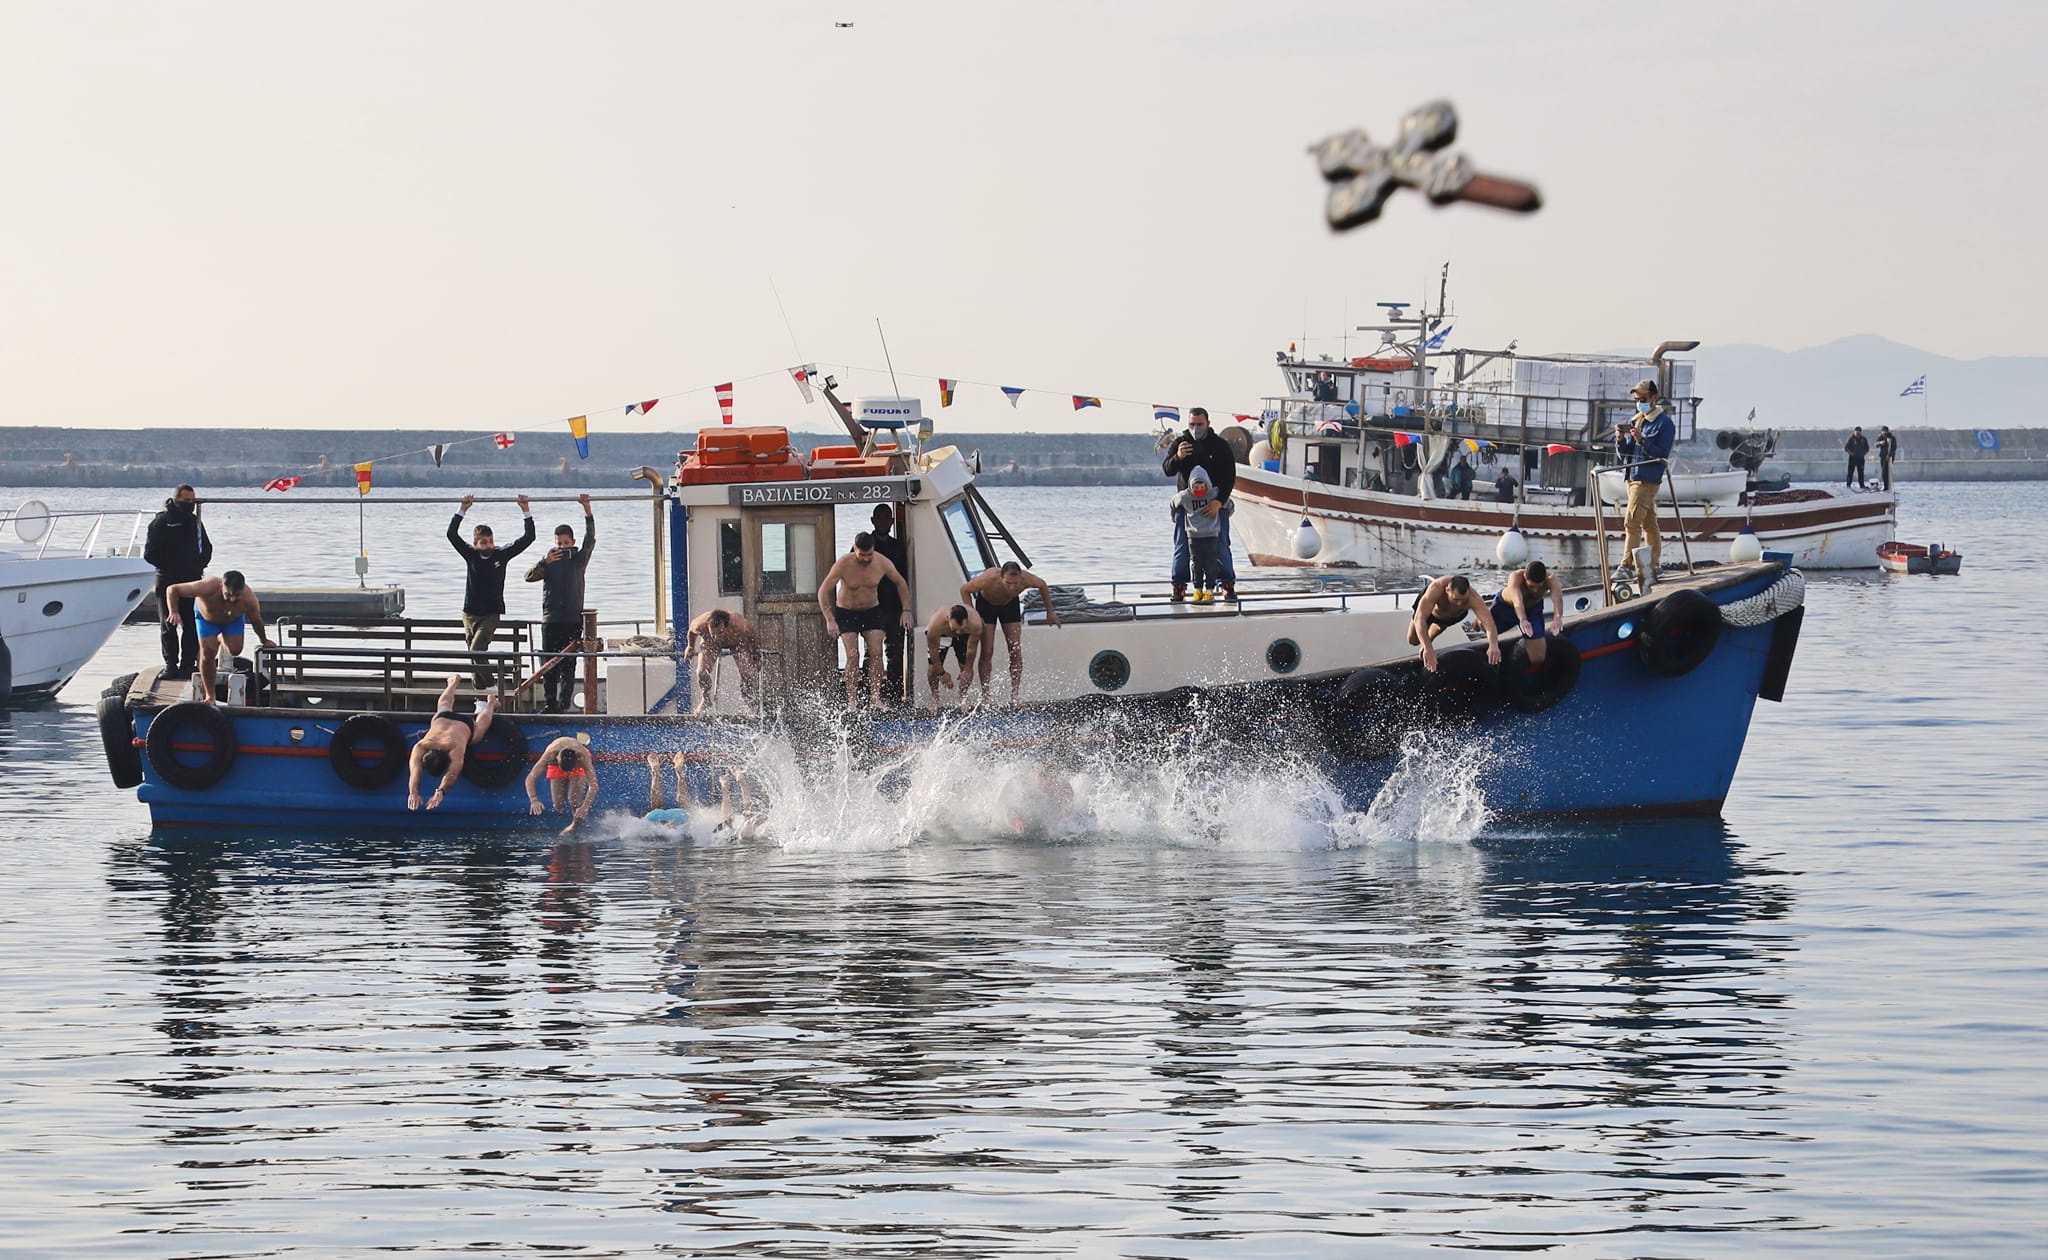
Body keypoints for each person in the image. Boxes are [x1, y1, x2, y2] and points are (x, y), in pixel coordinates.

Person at [447, 492, 534, 688]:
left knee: (477, 651)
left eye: (490, 541)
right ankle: (481, 696)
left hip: (491, 614)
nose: (489, 545)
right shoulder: (471, 555)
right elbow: (451, 535)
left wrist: (525, 510)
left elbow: (529, 538)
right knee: (474, 657)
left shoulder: (501, 555)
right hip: (469, 613)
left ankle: (492, 686)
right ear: (476, 544)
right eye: (484, 542)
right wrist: (462, 509)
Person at [817, 532, 913, 709]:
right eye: (862, 555)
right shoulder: (843, 564)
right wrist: (830, 619)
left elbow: (900, 583)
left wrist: (906, 610)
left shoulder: (881, 562)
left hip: (872, 610)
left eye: (869, 555)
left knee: (877, 653)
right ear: (855, 550)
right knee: (853, 656)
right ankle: (852, 701)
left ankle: (875, 698)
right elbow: (823, 591)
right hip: (847, 611)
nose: (866, 559)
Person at [524, 494, 595, 713]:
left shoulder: (579, 559)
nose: (562, 547)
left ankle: (564, 705)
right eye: (559, 543)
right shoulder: (548, 562)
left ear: (572, 543)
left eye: (566, 543)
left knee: (568, 666)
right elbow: (528, 576)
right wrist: (544, 561)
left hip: (572, 619)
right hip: (551, 619)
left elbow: (590, 540)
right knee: (549, 665)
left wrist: (587, 511)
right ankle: (550, 703)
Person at [1161, 406, 1238, 603]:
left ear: (1208, 423)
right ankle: (1179, 587)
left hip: (1214, 505)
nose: (1196, 428)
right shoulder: (1180, 443)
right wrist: (1178, 457)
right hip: (1186, 507)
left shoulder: (1220, 445)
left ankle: (1227, 585)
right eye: (1192, 424)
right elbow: (1167, 469)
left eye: (1200, 424)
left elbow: (1230, 477)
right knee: (1182, 547)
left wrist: (1219, 502)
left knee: (1221, 546)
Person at [162, 570, 270, 703]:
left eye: (236, 596)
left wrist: (264, 640)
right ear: (221, 586)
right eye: (228, 594)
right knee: (208, 653)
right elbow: (172, 589)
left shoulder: (248, 599)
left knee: (235, 650)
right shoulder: (208, 586)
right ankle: (210, 695)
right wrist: (174, 611)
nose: (232, 599)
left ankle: (219, 638)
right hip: (207, 620)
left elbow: (257, 621)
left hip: (232, 621)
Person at [961, 561, 1061, 704]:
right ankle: (985, 695)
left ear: (1020, 577)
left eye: (1015, 583)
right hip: (987, 606)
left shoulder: (1027, 579)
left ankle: (1015, 694)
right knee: (987, 651)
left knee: (1015, 649)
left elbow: (1043, 585)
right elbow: (964, 590)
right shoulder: (988, 578)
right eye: (1008, 583)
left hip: (1009, 606)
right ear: (1001, 578)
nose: (1012, 587)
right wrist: (973, 615)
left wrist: (1050, 612)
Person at [144, 485, 212, 680]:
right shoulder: (161, 522)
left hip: (191, 579)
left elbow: (206, 547)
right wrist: (171, 567)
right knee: (168, 624)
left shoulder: (194, 522)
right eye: (186, 501)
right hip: (167, 578)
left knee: (191, 624)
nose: (190, 505)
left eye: (192, 501)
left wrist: (198, 565)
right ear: (175, 500)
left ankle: (187, 665)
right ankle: (170, 665)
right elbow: (150, 553)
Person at [408, 675, 500, 811]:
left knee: (478, 732)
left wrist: (440, 791)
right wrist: (414, 792)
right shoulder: (423, 745)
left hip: (465, 725)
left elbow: (451, 774)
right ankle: (453, 683)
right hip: (443, 718)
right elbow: (417, 770)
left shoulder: (452, 747)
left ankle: (491, 703)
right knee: (443, 706)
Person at [1615, 378, 1675, 573]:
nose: (1639, 402)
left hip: (1647, 479)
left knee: (1631, 522)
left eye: (1643, 398)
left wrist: (1642, 440)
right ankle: (1653, 565)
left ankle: (1626, 566)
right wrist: (1620, 441)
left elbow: (1661, 454)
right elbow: (1625, 455)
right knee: (1649, 523)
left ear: (1654, 397)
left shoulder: (1665, 423)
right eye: (1637, 399)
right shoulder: (1636, 419)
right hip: (1632, 477)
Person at [1406, 574, 1501, 673]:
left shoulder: (1474, 597)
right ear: (1447, 590)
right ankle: (1426, 644)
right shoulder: (1436, 588)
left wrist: (1493, 645)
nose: (1460, 604)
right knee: (1413, 640)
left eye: (1464, 600)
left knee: (1440, 626)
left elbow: (1490, 624)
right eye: (1456, 599)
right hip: (1430, 612)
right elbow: (1420, 619)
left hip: (1453, 616)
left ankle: (1429, 639)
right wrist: (1427, 647)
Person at [865, 503, 911, 706]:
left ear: (892, 521)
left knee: (895, 651)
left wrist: (906, 609)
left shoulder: (899, 546)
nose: (884, 521)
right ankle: (868, 694)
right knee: (870, 653)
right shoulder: (865, 545)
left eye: (887, 517)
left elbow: (904, 579)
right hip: (871, 608)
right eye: (880, 517)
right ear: (873, 521)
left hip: (894, 607)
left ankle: (894, 695)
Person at [682, 608, 762, 713]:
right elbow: (691, 632)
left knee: (747, 673)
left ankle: (750, 702)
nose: (716, 637)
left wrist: (756, 656)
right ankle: (705, 700)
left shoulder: (739, 624)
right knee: (701, 672)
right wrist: (690, 647)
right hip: (710, 644)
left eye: (719, 633)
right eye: (713, 633)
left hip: (737, 643)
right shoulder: (700, 624)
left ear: (726, 626)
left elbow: (752, 637)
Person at [1169, 466, 1230, 602]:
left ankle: (1210, 590)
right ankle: (1196, 589)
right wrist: (1173, 512)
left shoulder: (1214, 494)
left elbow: (1228, 503)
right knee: (1196, 564)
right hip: (1193, 537)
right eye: (1196, 487)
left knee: (1211, 563)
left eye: (1202, 487)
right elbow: (1173, 502)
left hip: (1211, 535)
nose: (1199, 490)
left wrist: (1226, 510)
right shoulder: (1185, 496)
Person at [1490, 560, 1565, 665]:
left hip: (1532, 609)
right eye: (1531, 586)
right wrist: (1523, 619)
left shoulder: (1551, 578)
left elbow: (1557, 599)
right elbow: (1517, 600)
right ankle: (1478, 621)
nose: (1535, 590)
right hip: (1506, 606)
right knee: (1485, 628)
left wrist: (1557, 618)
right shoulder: (1516, 577)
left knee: (1538, 657)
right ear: (1525, 576)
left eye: (1539, 587)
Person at [525, 736, 600, 836]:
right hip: (557, 763)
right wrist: (533, 800)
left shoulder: (582, 756)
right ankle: (566, 816)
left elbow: (594, 785)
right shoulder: (550, 755)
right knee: (558, 805)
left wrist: (585, 806)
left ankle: (574, 827)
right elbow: (530, 778)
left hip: (576, 765)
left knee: (574, 801)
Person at [924, 603, 985, 713]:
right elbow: (933, 650)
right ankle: (935, 695)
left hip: (965, 636)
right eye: (955, 629)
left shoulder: (975, 623)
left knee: (966, 670)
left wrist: (967, 669)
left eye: (960, 629)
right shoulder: (935, 625)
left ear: (967, 621)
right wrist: (941, 673)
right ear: (948, 619)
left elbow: (972, 649)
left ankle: (963, 696)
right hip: (942, 635)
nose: (957, 632)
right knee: (932, 670)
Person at [1875, 425, 1899, 491]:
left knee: (1888, 472)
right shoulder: (1881, 437)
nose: (1884, 433)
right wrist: (1880, 443)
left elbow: (1894, 448)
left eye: (1885, 431)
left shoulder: (1892, 438)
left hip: (1890, 457)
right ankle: (1886, 486)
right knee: (1884, 472)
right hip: (1883, 456)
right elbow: (1876, 444)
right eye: (1883, 431)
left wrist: (1889, 455)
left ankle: (1889, 487)